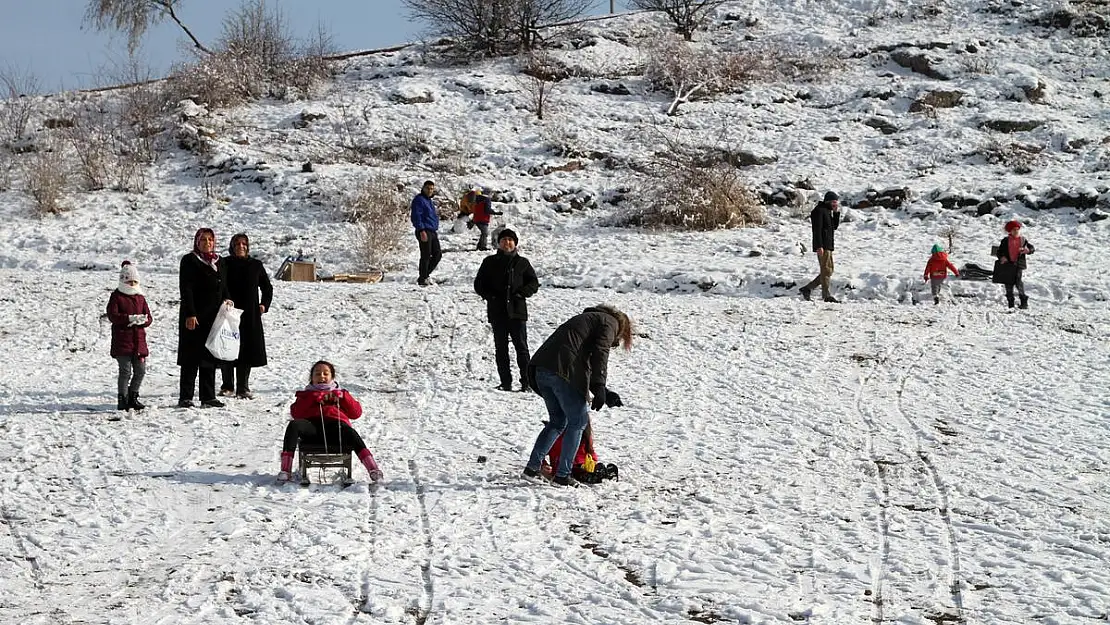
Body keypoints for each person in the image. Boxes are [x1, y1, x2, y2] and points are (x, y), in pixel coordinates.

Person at [522, 305, 632, 487]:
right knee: (578, 422)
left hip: (541, 370)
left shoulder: (587, 322)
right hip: (561, 372)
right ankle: (562, 476)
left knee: (557, 422)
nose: (614, 343)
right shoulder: (609, 323)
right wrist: (599, 386)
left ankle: (532, 468)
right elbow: (600, 353)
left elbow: (581, 364)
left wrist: (605, 391)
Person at [277, 360, 383, 483]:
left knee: (350, 432)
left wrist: (343, 397)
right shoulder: (305, 395)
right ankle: (285, 470)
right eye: (317, 374)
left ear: (332, 377)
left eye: (325, 373)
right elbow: (296, 413)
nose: (321, 376)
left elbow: (356, 413)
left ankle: (373, 469)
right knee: (294, 425)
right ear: (311, 378)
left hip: (335, 429)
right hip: (312, 430)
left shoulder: (340, 393)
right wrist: (313, 397)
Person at [473, 228, 539, 392]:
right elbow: (479, 284)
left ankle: (526, 382)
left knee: (521, 348)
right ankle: (505, 382)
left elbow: (533, 283)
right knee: (500, 349)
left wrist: (523, 293)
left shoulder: (522, 263)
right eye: (504, 240)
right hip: (498, 312)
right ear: (498, 243)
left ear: (515, 243)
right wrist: (491, 297)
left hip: (517, 311)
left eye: (510, 240)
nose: (507, 243)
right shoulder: (489, 262)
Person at [177, 228, 232, 408]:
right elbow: (187, 289)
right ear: (197, 241)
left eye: (210, 240)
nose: (207, 243)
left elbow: (223, 285)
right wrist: (190, 313)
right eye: (203, 240)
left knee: (209, 355)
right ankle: (186, 396)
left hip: (213, 316)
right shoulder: (190, 260)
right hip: (194, 315)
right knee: (191, 357)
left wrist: (228, 300)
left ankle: (208, 396)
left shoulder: (220, 261)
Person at [219, 233, 273, 399]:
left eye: (243, 244)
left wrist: (263, 305)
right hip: (229, 312)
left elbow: (267, 287)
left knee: (245, 350)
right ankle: (227, 386)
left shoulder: (255, 265)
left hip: (250, 314)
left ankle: (243, 387)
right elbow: (220, 284)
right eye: (237, 244)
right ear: (232, 246)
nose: (240, 247)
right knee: (227, 347)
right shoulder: (224, 263)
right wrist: (225, 300)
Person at [106, 260, 152, 411]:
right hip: (122, 341)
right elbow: (113, 315)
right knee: (125, 371)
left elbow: (148, 317)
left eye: (134, 281)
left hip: (138, 341)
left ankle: (133, 395)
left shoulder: (140, 297)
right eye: (129, 281)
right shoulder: (117, 296)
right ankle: (123, 398)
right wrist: (128, 318)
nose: (132, 285)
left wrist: (143, 320)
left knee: (140, 370)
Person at [543, 417, 619, 484]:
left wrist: (590, 462)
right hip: (565, 469)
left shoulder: (582, 437)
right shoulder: (554, 436)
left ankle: (602, 473)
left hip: (581, 466)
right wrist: (543, 465)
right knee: (577, 471)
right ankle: (595, 475)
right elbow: (540, 453)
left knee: (596, 468)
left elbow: (591, 453)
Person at [799, 191, 841, 303]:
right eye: (834, 202)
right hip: (822, 245)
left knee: (828, 270)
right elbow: (816, 230)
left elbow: (834, 227)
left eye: (836, 202)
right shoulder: (819, 211)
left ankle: (807, 288)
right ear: (828, 201)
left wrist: (836, 213)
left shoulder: (827, 211)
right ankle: (826, 295)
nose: (835, 204)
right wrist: (819, 246)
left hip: (828, 245)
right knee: (826, 270)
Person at [995, 220, 1035, 309]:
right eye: (1013, 230)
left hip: (1018, 265)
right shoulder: (1005, 241)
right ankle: (1011, 303)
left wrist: (1028, 250)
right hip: (1008, 265)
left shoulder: (1023, 240)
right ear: (1010, 231)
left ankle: (1024, 302)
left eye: (1017, 229)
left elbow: (1031, 248)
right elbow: (999, 252)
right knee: (1008, 284)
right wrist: (1002, 257)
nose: (1016, 231)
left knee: (1018, 283)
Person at [411, 180, 442, 286]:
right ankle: (423, 279)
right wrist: (421, 230)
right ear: (423, 188)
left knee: (437, 254)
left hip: (432, 230)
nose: (430, 190)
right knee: (426, 255)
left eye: (432, 188)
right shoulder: (419, 200)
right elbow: (416, 216)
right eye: (428, 188)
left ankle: (424, 275)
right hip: (424, 230)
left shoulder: (429, 201)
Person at [461, 186, 503, 251]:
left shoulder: (476, 199)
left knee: (484, 233)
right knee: (485, 233)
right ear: (489, 193)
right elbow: (487, 210)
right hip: (483, 219)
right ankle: (482, 246)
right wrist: (496, 213)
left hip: (477, 218)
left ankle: (480, 245)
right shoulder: (487, 200)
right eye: (491, 193)